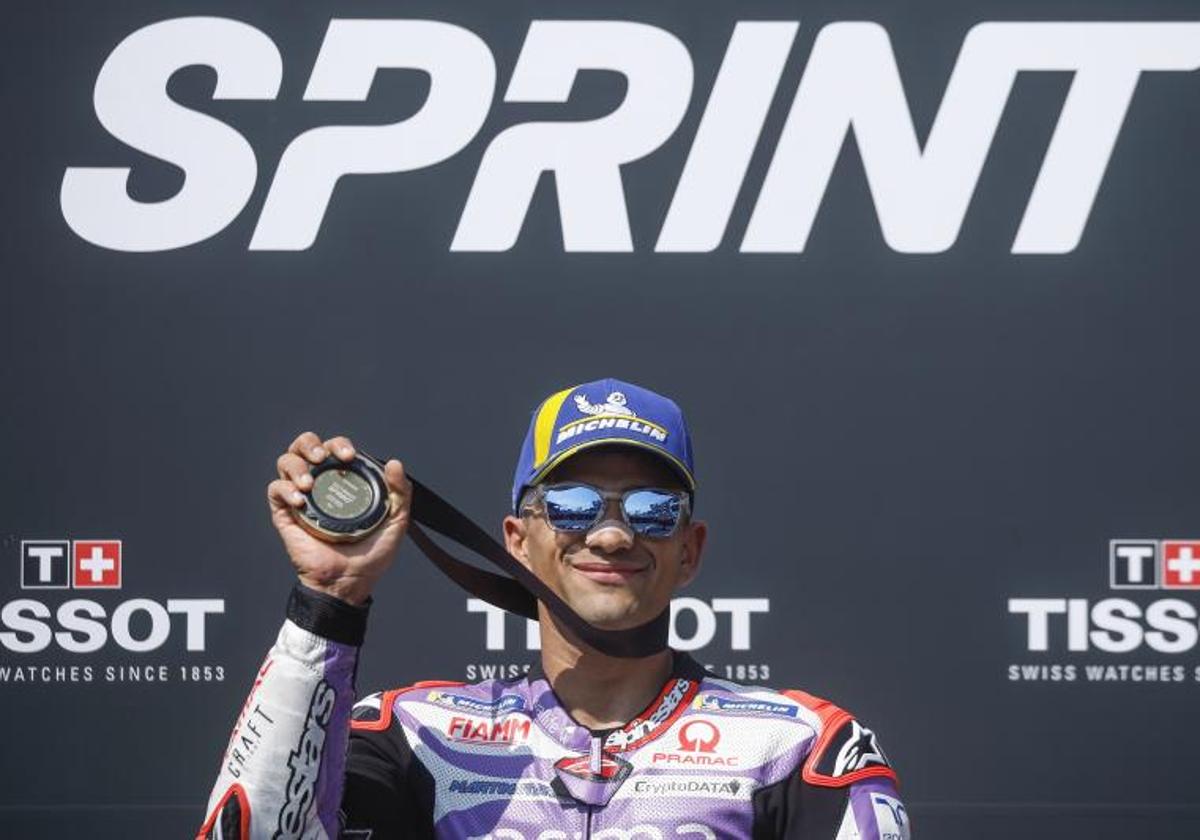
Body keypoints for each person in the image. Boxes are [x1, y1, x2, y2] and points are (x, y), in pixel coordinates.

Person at [199, 378, 909, 839]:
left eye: (653, 511)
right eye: (569, 506)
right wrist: (328, 600)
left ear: (690, 551)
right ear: (518, 542)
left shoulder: (799, 747)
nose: (610, 533)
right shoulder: (413, 736)